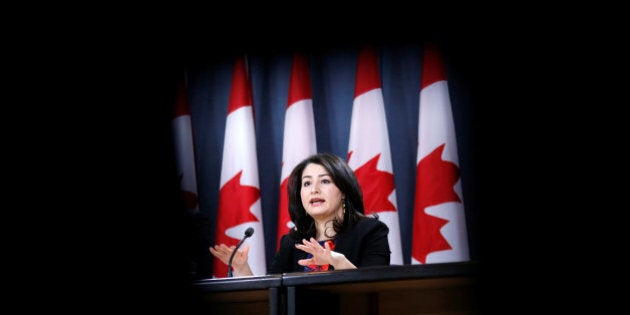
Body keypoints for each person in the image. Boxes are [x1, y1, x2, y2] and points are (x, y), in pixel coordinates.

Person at [210, 152, 391, 276]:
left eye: (325, 181)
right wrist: (242, 269)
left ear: (344, 191)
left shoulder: (371, 232)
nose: (314, 190)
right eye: (306, 184)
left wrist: (338, 261)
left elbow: (373, 290)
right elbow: (270, 297)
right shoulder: (292, 242)